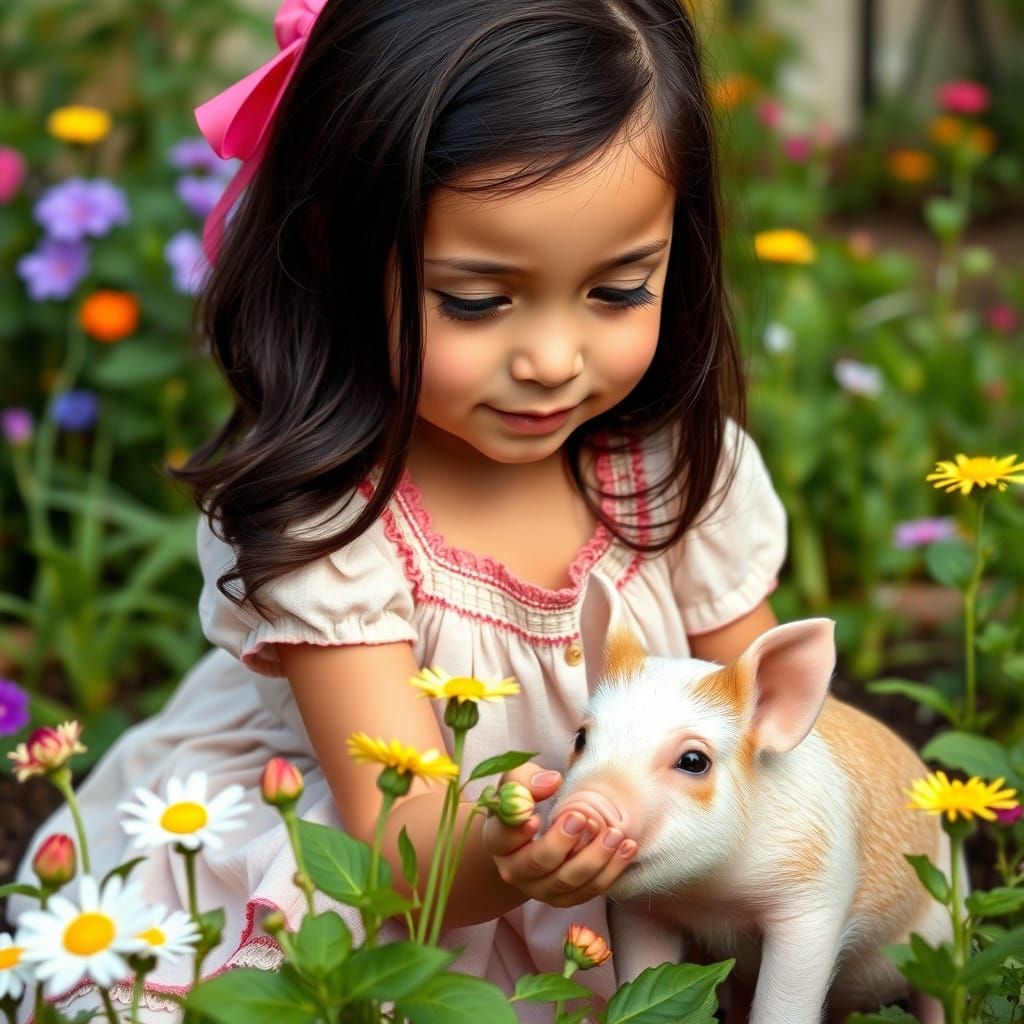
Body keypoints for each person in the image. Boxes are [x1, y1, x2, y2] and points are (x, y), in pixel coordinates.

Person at [10, 0, 787, 1019]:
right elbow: (398, 841)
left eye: (617, 290)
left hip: (643, 876)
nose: (553, 359)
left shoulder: (671, 473)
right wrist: (513, 855)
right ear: (338, 250)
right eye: (476, 300)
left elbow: (768, 725)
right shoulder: (337, 529)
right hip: (399, 890)